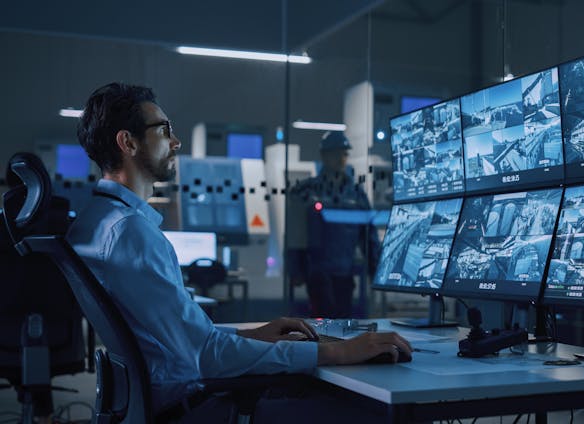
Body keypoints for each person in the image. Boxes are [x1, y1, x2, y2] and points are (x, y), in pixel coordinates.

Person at [68, 82, 411, 421]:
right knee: (371, 411)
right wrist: (335, 351)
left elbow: (186, 339)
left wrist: (254, 335)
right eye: (163, 130)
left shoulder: (97, 222)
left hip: (163, 397)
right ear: (127, 142)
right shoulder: (131, 233)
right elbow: (205, 355)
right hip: (197, 404)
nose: (175, 142)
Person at [288, 132, 380, 318]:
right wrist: (295, 269)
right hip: (317, 271)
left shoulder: (356, 194)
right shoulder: (307, 190)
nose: (341, 158)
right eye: (335, 153)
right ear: (324, 156)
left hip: (344, 272)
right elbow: (295, 234)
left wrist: (375, 268)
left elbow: (369, 234)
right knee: (322, 321)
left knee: (343, 319)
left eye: (344, 154)